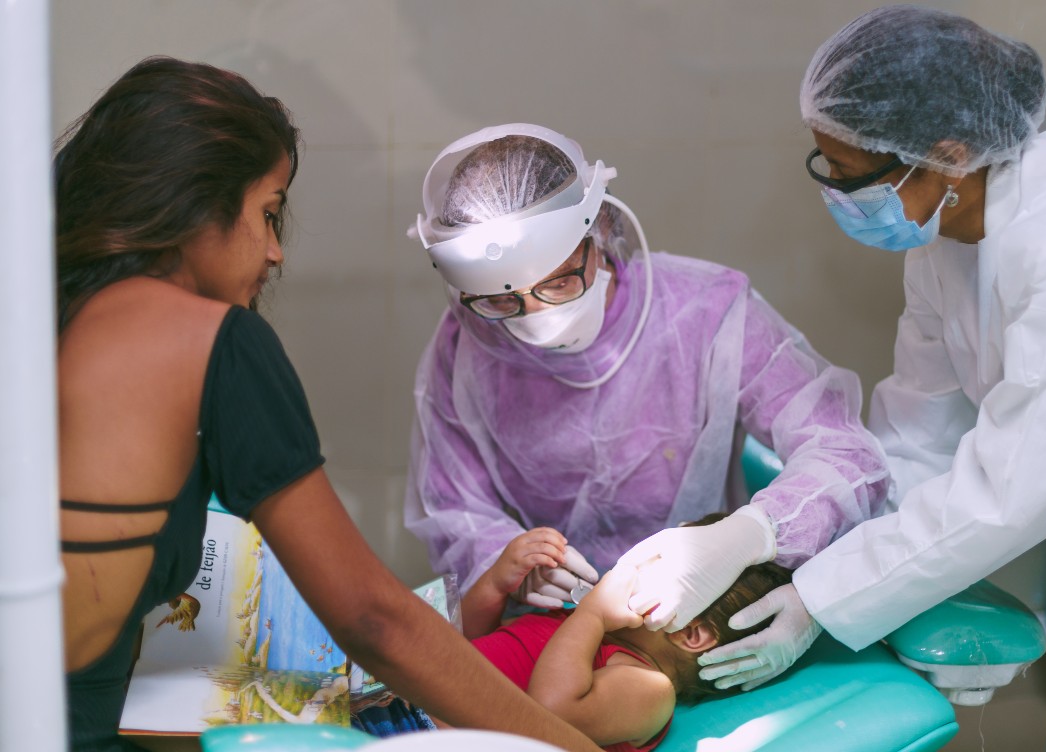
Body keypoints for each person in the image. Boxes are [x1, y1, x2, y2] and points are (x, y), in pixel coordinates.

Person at [695, 5, 1046, 750]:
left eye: (851, 175)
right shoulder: (947, 241)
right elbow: (916, 437)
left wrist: (821, 599)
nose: (838, 196)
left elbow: (1013, 490)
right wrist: (782, 538)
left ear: (946, 156)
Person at [54, 57, 598, 752]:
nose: (277, 253)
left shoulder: (52, 308)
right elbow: (376, 621)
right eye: (268, 213)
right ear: (195, 201)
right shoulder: (211, 341)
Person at [404, 124, 889, 635]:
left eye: (559, 281)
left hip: (697, 607)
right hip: (550, 622)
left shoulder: (707, 313)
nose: (532, 315)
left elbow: (846, 454)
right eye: (502, 300)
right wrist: (508, 566)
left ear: (601, 230)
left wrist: (751, 534)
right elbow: (455, 510)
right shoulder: (467, 343)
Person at [461, 516, 793, 752]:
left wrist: (592, 612)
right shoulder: (580, 626)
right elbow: (462, 650)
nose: (633, 563)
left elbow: (551, 714)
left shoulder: (649, 689)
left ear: (690, 633)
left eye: (658, 562)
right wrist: (496, 584)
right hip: (428, 700)